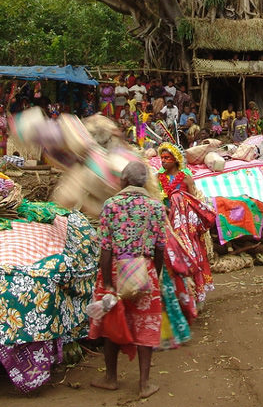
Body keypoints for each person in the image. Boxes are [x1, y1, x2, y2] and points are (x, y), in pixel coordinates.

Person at [89, 161, 166, 399]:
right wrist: (157, 274)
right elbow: (160, 248)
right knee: (146, 326)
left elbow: (105, 248)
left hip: (114, 269)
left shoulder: (111, 205)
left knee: (112, 321)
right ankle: (144, 384)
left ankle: (110, 378)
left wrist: (109, 284)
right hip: (145, 270)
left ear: (123, 180)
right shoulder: (156, 207)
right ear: (143, 182)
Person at [156, 142, 214, 332]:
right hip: (167, 224)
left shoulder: (186, 178)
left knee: (191, 256)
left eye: (167, 158)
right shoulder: (158, 178)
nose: (164, 161)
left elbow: (194, 200)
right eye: (162, 158)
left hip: (185, 227)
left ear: (176, 160)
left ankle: (195, 296)